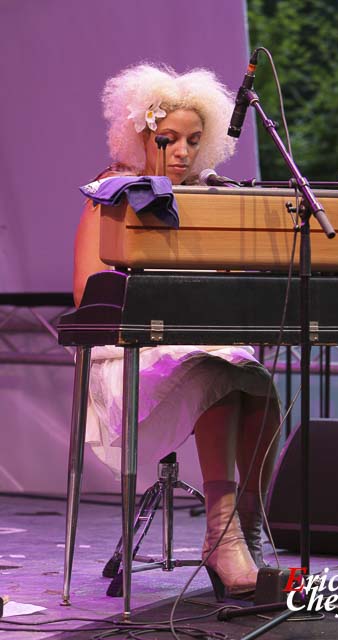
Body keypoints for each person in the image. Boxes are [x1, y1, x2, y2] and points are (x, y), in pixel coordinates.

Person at [74, 62, 281, 598]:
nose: (183, 152)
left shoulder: (215, 200)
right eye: (168, 139)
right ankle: (224, 535)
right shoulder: (110, 196)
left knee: (256, 381)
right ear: (141, 136)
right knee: (222, 370)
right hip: (130, 357)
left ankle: (243, 531)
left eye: (194, 140)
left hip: (204, 351)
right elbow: (86, 297)